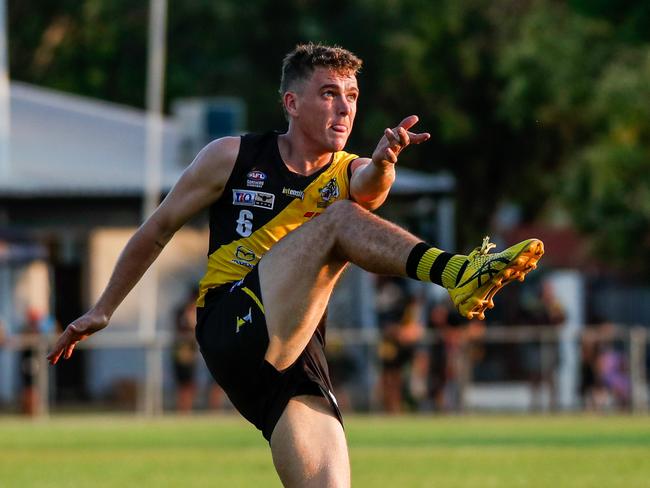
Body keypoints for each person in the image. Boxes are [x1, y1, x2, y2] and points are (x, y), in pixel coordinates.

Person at [47, 43, 544, 486]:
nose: (345, 107)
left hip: (295, 347)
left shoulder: (349, 171)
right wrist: (103, 309)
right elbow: (156, 230)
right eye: (330, 93)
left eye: (352, 95)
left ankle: (458, 276)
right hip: (231, 320)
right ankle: (457, 273)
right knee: (338, 220)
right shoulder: (231, 156)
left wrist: (387, 160)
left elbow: (371, 185)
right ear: (292, 103)